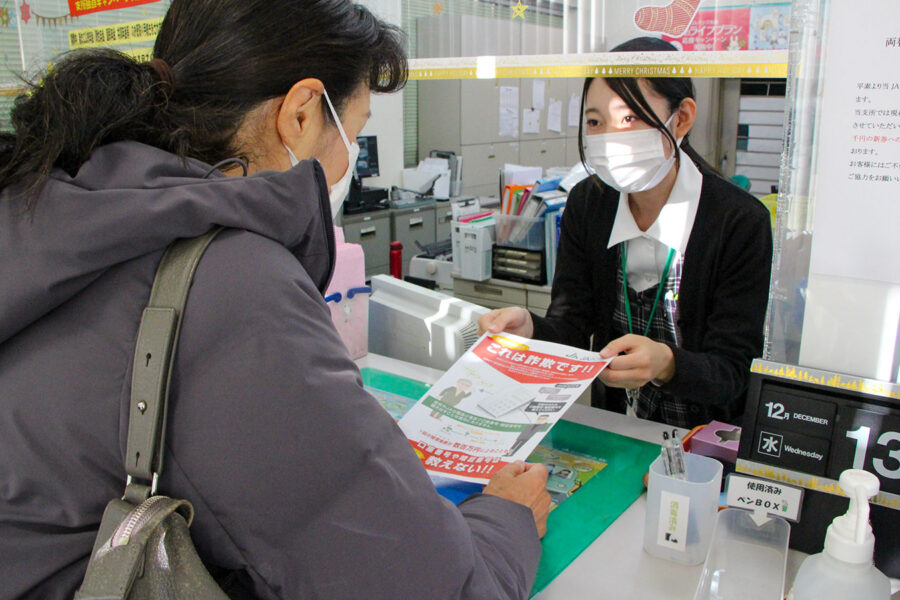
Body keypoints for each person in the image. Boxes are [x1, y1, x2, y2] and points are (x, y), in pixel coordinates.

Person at [0, 1, 550, 598]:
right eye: (355, 134)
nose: (349, 163)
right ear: (301, 111)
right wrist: (506, 516)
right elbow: (426, 584)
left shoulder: (46, 207)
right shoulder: (228, 278)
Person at [480, 37, 773, 429]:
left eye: (631, 118)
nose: (608, 138)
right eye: (596, 121)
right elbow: (572, 326)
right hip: (620, 431)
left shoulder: (739, 221)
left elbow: (734, 372)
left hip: (706, 441)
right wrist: (529, 327)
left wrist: (667, 364)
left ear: (681, 119)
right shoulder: (588, 203)